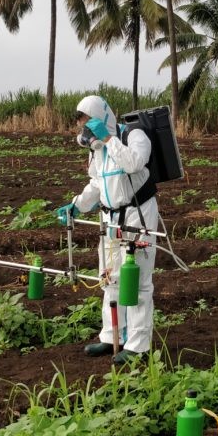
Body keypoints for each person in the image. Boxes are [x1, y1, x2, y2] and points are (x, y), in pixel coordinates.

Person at [55, 95, 158, 365]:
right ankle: (112, 335)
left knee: (136, 280)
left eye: (89, 123)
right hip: (109, 218)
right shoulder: (97, 150)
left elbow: (134, 163)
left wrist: (110, 140)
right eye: (82, 125)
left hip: (138, 215)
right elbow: (97, 184)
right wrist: (77, 206)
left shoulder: (135, 135)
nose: (86, 130)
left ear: (103, 117)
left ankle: (138, 345)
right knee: (110, 277)